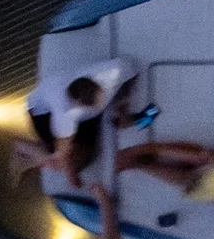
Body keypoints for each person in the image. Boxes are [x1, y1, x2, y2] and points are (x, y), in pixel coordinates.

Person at [13, 57, 144, 184]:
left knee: (84, 151)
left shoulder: (115, 70)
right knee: (74, 162)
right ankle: (23, 147)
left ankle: (35, 153)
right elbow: (62, 155)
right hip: (42, 113)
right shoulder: (65, 116)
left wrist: (121, 108)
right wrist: (70, 172)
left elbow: (129, 73)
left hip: (78, 112)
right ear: (77, 105)